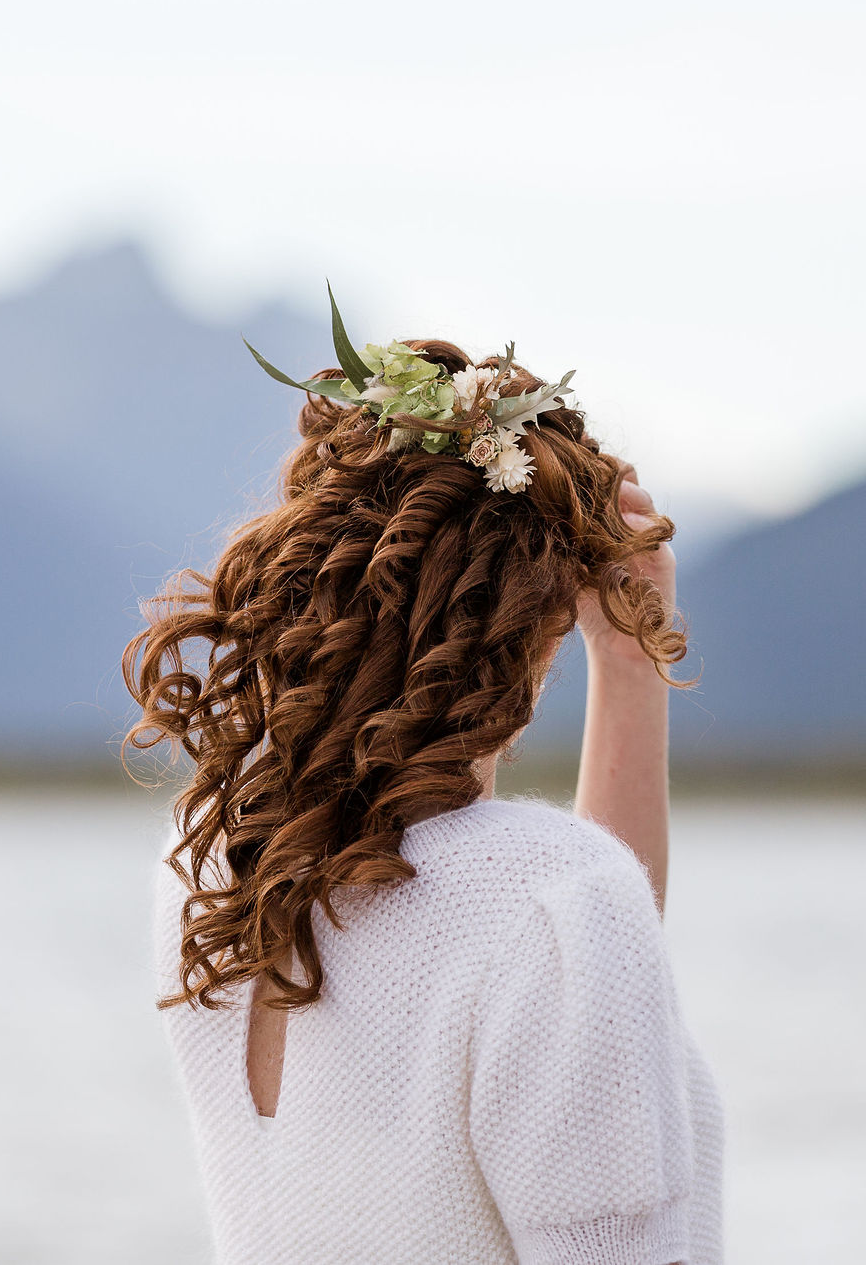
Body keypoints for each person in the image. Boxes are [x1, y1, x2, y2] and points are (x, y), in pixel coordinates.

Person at [124, 304, 724, 1264]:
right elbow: (567, 946)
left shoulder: (216, 859)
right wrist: (634, 643)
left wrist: (629, 668)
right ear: (525, 630)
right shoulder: (551, 906)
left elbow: (582, 968)